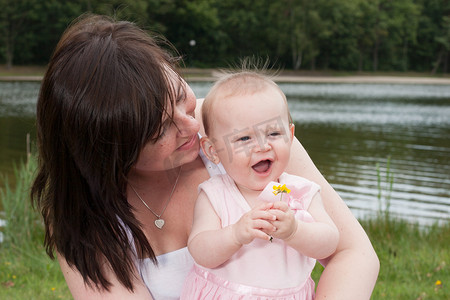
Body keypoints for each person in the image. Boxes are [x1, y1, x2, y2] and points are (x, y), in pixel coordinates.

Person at [31, 13, 379, 300]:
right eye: (160, 130)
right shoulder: (83, 218)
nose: (190, 124)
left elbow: (353, 255)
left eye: (182, 95)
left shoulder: (247, 138)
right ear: (109, 153)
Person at [180, 71, 339, 299]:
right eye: (244, 138)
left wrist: (295, 231)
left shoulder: (301, 191)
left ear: (290, 136)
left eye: (274, 133)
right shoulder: (215, 193)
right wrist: (235, 234)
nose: (262, 146)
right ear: (212, 150)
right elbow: (200, 250)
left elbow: (329, 242)